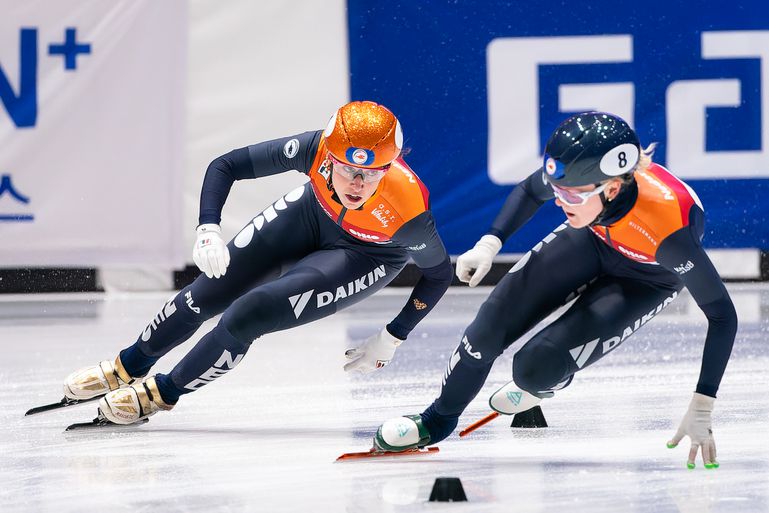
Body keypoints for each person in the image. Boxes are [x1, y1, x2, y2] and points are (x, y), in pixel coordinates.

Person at [374, 112, 737, 469]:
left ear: (613, 187)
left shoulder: (668, 232)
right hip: (592, 237)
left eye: (574, 196)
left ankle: (542, 382)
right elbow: (531, 190)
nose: (561, 203)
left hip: (647, 278)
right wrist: (489, 243)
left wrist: (703, 402)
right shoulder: (580, 172)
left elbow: (722, 315)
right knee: (485, 332)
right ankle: (436, 419)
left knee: (533, 369)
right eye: (558, 191)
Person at [62, 101, 453, 425]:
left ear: (388, 169)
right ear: (329, 157)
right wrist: (207, 229)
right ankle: (127, 364)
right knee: (205, 294)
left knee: (250, 313)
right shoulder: (313, 148)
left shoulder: (406, 209)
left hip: (367, 254)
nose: (357, 185)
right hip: (310, 214)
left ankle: (161, 393)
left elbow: (438, 274)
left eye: (372, 175)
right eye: (349, 170)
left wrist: (393, 336)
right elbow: (225, 165)